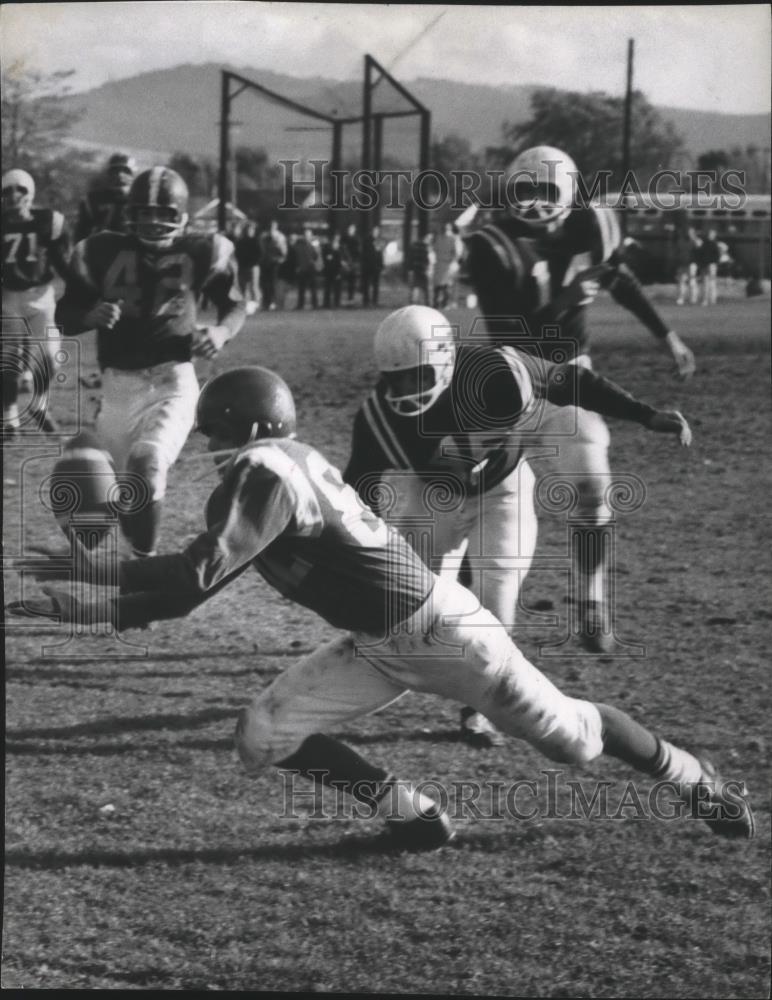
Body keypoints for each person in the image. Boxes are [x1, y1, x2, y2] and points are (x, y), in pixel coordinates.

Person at [8, 365, 754, 850]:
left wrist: (89, 593)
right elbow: (188, 586)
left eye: (218, 427)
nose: (207, 438)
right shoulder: (274, 467)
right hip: (382, 638)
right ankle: (413, 817)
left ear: (254, 430)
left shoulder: (265, 474)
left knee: (577, 739)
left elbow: (184, 589)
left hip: (443, 635)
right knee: (264, 734)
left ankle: (693, 778)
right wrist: (100, 575)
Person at [343, 304, 692, 746]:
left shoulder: (500, 372)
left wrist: (644, 414)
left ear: (447, 360)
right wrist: (362, 552)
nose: (404, 390)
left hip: (502, 488)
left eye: (417, 375)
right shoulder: (379, 419)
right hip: (433, 495)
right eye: (396, 378)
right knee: (412, 609)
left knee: (496, 601)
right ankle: (374, 660)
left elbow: (573, 381)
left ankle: (479, 709)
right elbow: (356, 491)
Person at [463, 145, 697, 653]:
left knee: (593, 492)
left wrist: (667, 336)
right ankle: (458, 616)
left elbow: (620, 280)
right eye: (524, 190)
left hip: (571, 382)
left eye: (545, 191)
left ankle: (592, 604)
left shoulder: (587, 235)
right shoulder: (491, 243)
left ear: (568, 193)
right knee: (472, 509)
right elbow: (512, 329)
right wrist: (577, 290)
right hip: (509, 381)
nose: (533, 202)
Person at [54, 166, 246, 559]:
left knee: (147, 464)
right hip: (117, 389)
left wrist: (222, 332)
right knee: (122, 490)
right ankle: (137, 555)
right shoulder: (100, 250)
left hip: (172, 381)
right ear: (131, 214)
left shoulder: (203, 249)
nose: (154, 222)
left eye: (163, 213)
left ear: (182, 217)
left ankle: (144, 574)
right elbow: (65, 315)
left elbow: (235, 304)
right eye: (144, 213)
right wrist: (89, 316)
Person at [2, 168, 72, 436]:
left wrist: (79, 287)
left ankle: (39, 405)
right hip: (8, 295)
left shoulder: (48, 221)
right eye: (7, 191)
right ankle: (9, 417)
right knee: (8, 361)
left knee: (50, 357)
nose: (14, 196)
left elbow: (61, 261)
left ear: (30, 192)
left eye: (19, 189)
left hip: (41, 295)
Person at [74, 152, 136, 243]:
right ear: (108, 173)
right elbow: (82, 231)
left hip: (131, 250)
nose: (119, 175)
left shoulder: (140, 199)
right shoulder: (93, 199)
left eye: (125, 171)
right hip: (100, 249)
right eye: (115, 170)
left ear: (133, 174)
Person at [432, 222, 463, 309]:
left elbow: (457, 253)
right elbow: (435, 249)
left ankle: (445, 303)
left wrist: (453, 262)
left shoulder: (453, 238)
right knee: (438, 285)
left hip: (448, 265)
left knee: (446, 285)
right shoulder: (439, 238)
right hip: (439, 263)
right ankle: (436, 303)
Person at [259, 220, 287, 311]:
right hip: (265, 262)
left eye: (273, 226)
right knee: (264, 283)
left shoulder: (279, 237)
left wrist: (280, 259)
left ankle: (273, 302)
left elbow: (284, 251)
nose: (272, 227)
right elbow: (260, 248)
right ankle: (266, 302)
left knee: (273, 283)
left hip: (274, 263)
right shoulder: (263, 236)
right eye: (270, 225)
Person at [234, 221, 262, 315]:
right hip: (243, 266)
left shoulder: (255, 241)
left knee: (254, 287)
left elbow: (259, 254)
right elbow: (237, 254)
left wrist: (254, 262)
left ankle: (256, 305)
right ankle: (245, 305)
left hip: (252, 266)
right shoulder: (240, 241)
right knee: (242, 287)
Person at [293, 227, 320, 310]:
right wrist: (298, 266)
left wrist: (316, 249)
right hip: (302, 268)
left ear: (311, 235)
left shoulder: (313, 245)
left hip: (311, 268)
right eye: (306, 235)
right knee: (302, 289)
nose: (308, 236)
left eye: (309, 235)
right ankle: (300, 305)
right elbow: (296, 257)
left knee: (313, 288)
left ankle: (315, 305)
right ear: (304, 236)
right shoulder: (299, 245)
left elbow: (316, 256)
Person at [361, 225, 386, 307]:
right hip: (368, 265)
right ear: (372, 231)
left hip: (376, 266)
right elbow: (365, 253)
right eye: (375, 230)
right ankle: (366, 301)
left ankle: (375, 301)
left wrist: (381, 264)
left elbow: (380, 254)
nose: (376, 232)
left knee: (376, 284)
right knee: (366, 283)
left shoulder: (379, 240)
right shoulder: (367, 240)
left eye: (377, 231)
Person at [407, 233, 435, 305]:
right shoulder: (427, 247)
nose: (431, 240)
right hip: (424, 270)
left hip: (416, 270)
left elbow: (410, 258)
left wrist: (410, 269)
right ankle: (428, 304)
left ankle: (413, 304)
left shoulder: (414, 245)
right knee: (427, 289)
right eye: (430, 239)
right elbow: (429, 260)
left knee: (415, 287)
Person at [697, 228, 721, 306]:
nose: (710, 235)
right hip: (704, 265)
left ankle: (713, 299)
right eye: (710, 234)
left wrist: (713, 263)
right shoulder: (704, 244)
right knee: (705, 283)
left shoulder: (715, 244)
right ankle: (705, 300)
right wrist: (701, 263)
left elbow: (717, 256)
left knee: (712, 283)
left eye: (712, 234)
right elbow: (700, 254)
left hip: (712, 265)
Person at [322, 232, 344, 309]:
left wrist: (338, 273)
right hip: (330, 273)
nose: (336, 245)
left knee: (336, 289)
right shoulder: (329, 250)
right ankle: (327, 303)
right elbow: (329, 261)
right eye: (335, 243)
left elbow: (338, 264)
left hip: (336, 273)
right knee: (328, 289)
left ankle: (336, 303)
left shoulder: (338, 252)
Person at [341, 223, 361, 305]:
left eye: (353, 229)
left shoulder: (356, 239)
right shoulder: (344, 238)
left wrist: (356, 261)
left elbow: (358, 251)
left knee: (352, 280)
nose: (351, 230)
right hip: (346, 261)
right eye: (350, 229)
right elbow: (342, 249)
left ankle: (351, 297)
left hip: (354, 262)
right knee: (346, 280)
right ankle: (347, 297)